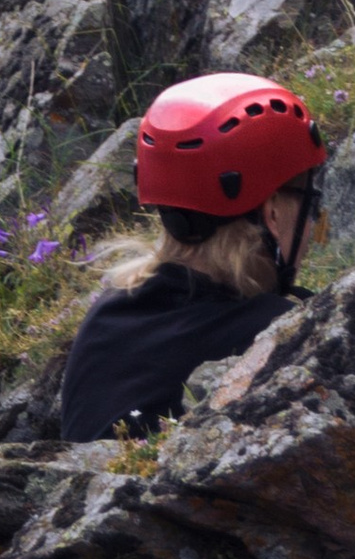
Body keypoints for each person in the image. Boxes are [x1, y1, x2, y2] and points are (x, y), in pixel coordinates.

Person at [57, 71, 329, 445]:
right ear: (273, 214)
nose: (312, 226)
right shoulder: (274, 334)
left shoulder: (108, 319)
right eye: (308, 202)